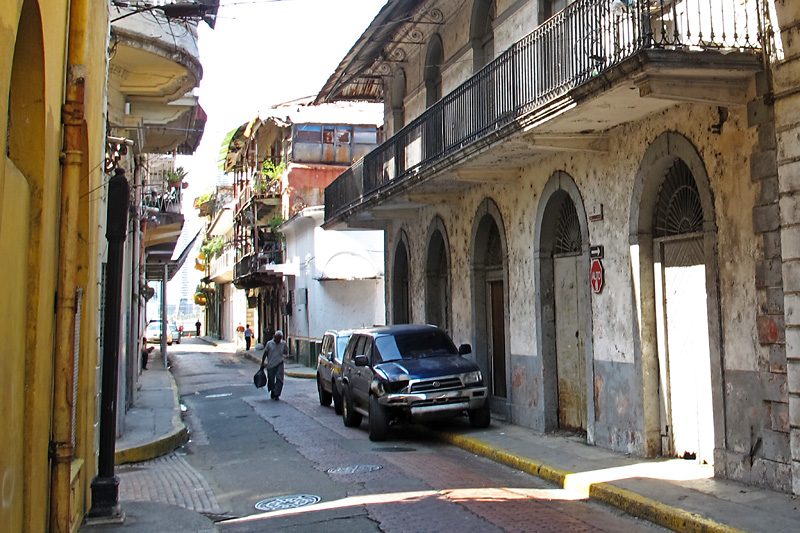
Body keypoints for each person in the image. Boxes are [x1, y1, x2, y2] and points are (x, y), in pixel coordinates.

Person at [259, 330, 289, 400]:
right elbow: (265, 353)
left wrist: (284, 355)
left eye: (280, 338)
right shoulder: (269, 343)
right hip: (271, 364)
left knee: (280, 379)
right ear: (274, 337)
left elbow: (286, 351)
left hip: (279, 363)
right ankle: (273, 390)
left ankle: (277, 393)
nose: (278, 339)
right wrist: (262, 363)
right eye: (277, 338)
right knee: (271, 379)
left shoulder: (283, 343)